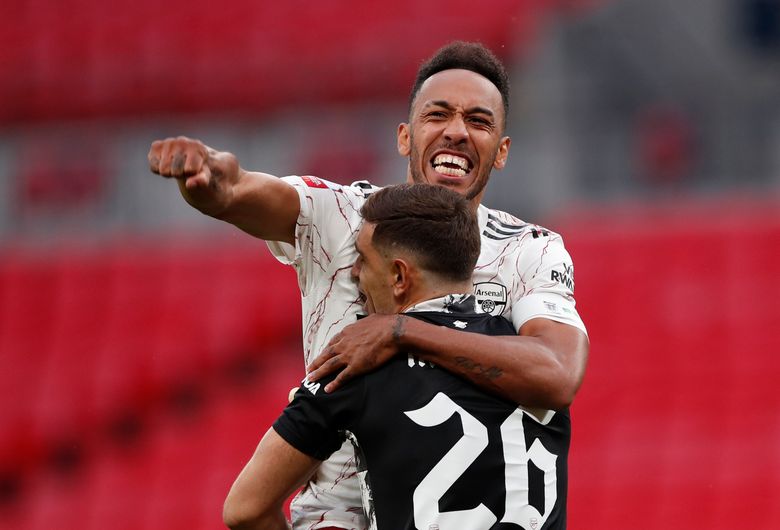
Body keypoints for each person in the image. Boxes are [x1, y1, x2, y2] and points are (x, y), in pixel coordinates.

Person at [148, 41, 589, 530]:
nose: (457, 131)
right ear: (405, 136)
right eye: (437, 114)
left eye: (479, 121)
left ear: (502, 151)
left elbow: (558, 374)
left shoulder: (530, 248)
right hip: (334, 516)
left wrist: (398, 331)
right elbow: (244, 194)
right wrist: (215, 183)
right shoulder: (343, 215)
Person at [222, 184, 571, 530]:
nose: (355, 272)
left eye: (362, 258)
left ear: (400, 276)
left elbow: (245, 509)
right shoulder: (533, 365)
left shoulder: (354, 367)